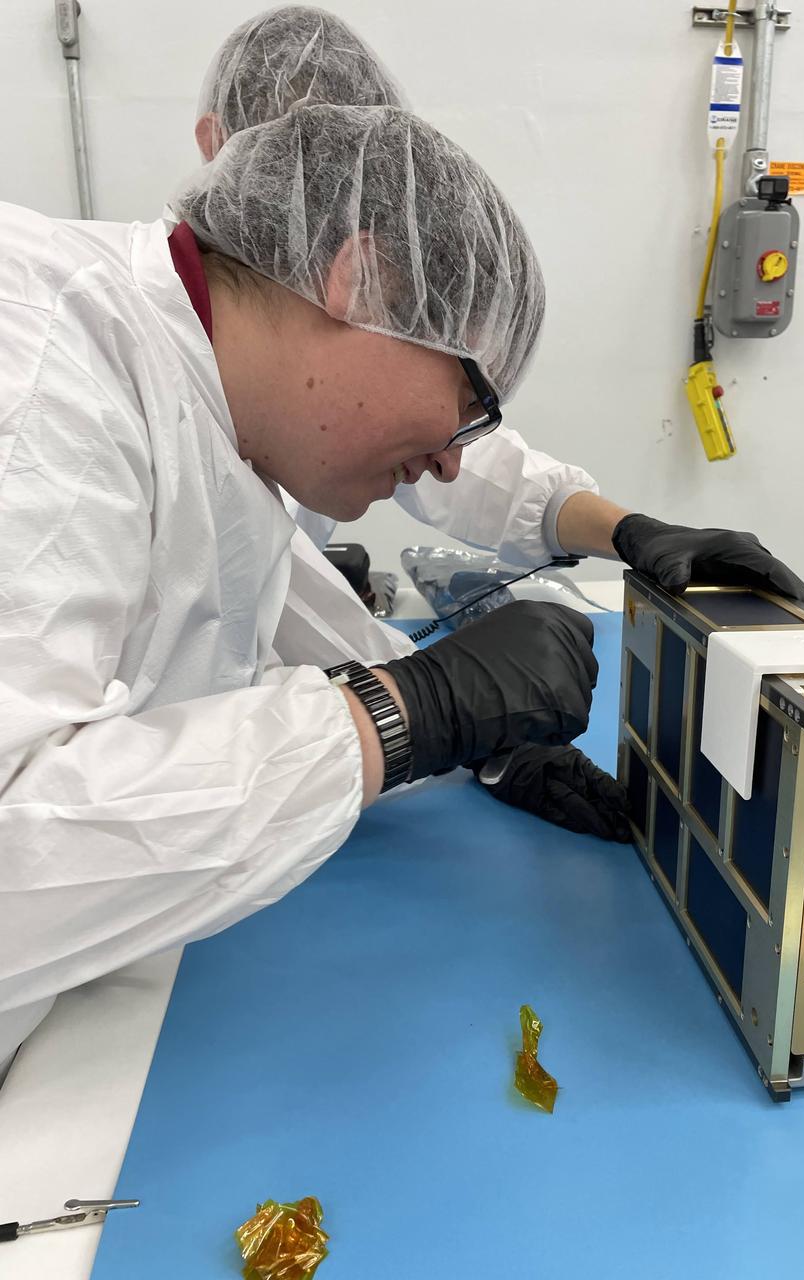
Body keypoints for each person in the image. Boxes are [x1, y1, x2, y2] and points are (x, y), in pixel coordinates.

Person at [0, 105, 600, 1076]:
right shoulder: (44, 366)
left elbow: (286, 619)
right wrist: (404, 716)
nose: (454, 463)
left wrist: (481, 744)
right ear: (359, 280)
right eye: (472, 403)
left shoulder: (209, 408)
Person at [181, 6, 804, 835]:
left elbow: (396, 486)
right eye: (297, 176)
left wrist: (625, 532)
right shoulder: (76, 377)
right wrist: (426, 711)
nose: (316, 214)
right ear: (212, 144)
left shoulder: (260, 387)